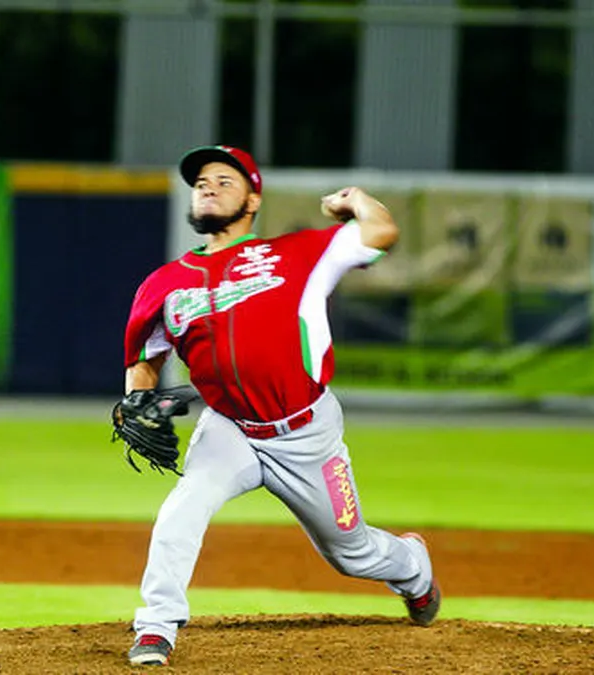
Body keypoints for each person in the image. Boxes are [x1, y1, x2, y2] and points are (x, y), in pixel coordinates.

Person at [119, 145, 440, 667]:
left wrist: (356, 198)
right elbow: (144, 360)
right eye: (201, 182)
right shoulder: (163, 284)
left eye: (225, 180)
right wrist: (136, 398)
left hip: (305, 431)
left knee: (351, 552)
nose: (208, 186)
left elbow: (382, 232)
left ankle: (412, 566)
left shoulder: (300, 253)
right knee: (183, 507)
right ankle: (156, 625)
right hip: (229, 429)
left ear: (253, 199)